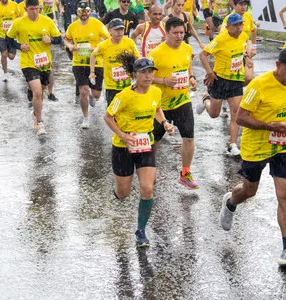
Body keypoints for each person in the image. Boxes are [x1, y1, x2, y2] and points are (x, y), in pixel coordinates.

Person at [219, 48, 286, 266]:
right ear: (277, 65)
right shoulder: (259, 85)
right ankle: (230, 202)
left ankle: (285, 248)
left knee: (284, 195)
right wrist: (269, 126)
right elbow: (240, 118)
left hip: (283, 146)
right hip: (256, 145)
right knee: (249, 191)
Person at [104, 55, 174, 247]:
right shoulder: (123, 96)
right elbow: (108, 117)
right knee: (124, 193)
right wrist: (122, 135)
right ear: (135, 75)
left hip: (145, 144)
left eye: (151, 72)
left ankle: (141, 230)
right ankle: (118, 191)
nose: (148, 76)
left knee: (147, 188)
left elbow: (157, 109)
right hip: (123, 146)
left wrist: (165, 122)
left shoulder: (156, 92)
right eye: (143, 72)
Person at [148, 17, 199, 190]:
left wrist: (191, 77)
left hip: (183, 100)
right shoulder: (156, 53)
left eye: (182, 33)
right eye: (175, 33)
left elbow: (187, 65)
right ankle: (150, 170)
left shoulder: (187, 48)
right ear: (167, 33)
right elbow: (143, 77)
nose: (179, 36)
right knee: (155, 140)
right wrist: (163, 80)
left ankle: (185, 173)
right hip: (161, 106)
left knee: (189, 137)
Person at [197, 13, 250, 156]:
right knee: (214, 114)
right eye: (236, 25)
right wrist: (209, 73)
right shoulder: (220, 39)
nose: (239, 28)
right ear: (228, 27)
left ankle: (232, 145)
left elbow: (242, 50)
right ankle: (205, 99)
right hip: (219, 80)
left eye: (241, 24)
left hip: (236, 81)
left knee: (236, 113)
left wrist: (247, 57)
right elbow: (203, 55)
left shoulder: (244, 36)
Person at [7, 0, 62, 136]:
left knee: (41, 91)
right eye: (31, 9)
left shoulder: (47, 21)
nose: (35, 12)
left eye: (37, 9)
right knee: (37, 93)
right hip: (28, 63)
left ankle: (36, 111)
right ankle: (39, 123)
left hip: (44, 63)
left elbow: (59, 39)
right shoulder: (19, 23)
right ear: (26, 9)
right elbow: (8, 39)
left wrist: (51, 40)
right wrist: (19, 46)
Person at [64, 1, 109, 129]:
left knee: (96, 94)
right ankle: (85, 118)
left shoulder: (98, 24)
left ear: (90, 11)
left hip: (96, 63)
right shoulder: (72, 26)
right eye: (81, 11)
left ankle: (92, 95)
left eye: (86, 11)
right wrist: (71, 46)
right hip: (78, 63)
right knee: (82, 91)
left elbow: (108, 39)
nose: (84, 14)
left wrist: (96, 48)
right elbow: (66, 39)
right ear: (77, 12)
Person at [89, 18, 140, 106]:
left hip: (127, 84)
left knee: (127, 110)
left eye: (121, 29)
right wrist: (92, 72)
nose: (119, 32)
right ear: (110, 31)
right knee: (113, 111)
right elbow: (93, 55)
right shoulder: (103, 45)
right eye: (116, 30)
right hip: (111, 86)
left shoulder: (130, 43)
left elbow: (138, 59)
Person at [220, 0, 256, 86]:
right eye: (241, 4)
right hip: (233, 52)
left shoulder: (248, 17)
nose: (243, 7)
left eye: (245, 5)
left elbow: (253, 31)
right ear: (235, 5)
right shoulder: (229, 19)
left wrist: (253, 47)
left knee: (248, 78)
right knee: (231, 78)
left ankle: (235, 91)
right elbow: (223, 37)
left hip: (246, 50)